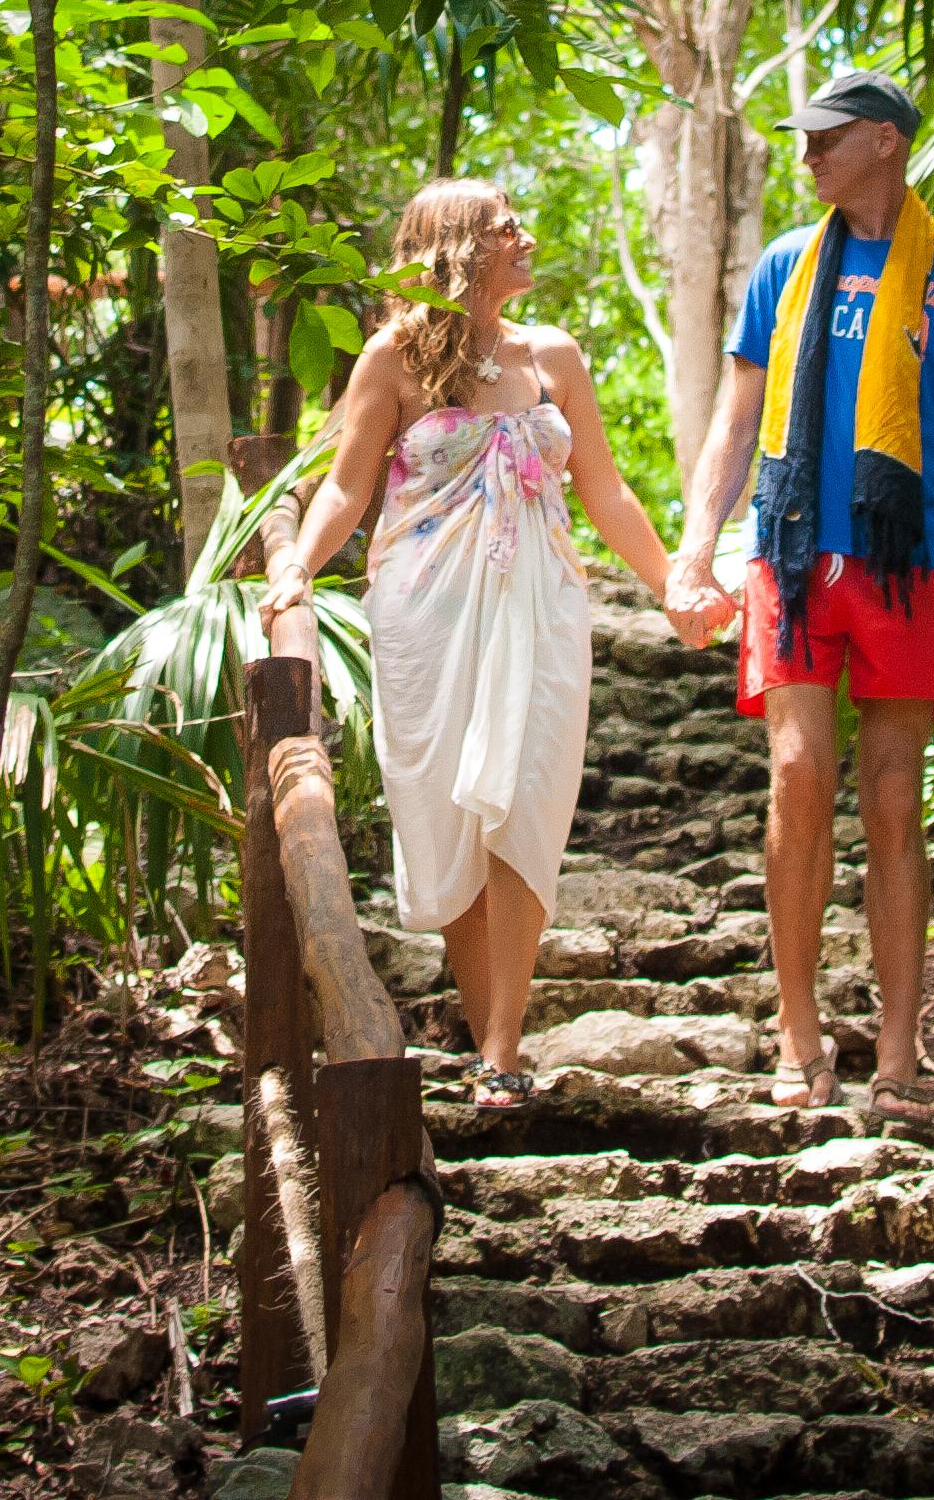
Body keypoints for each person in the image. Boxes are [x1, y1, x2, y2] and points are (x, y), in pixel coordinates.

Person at [263, 177, 696, 1109]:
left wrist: (672, 586)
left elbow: (606, 491)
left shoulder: (554, 358)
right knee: (450, 812)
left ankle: (502, 1047)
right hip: (427, 613)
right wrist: (296, 565)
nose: (527, 237)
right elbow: (345, 489)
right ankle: (485, 1035)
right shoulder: (391, 359)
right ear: (458, 249)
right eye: (508, 228)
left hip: (541, 605)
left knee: (525, 796)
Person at [664, 68, 934, 1118]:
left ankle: (900, 1054)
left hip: (907, 559)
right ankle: (796, 1029)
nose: (809, 155)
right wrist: (697, 546)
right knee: (793, 777)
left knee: (892, 799)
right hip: (785, 551)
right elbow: (736, 423)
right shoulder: (785, 265)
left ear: (884, 143)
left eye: (828, 139)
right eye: (807, 140)